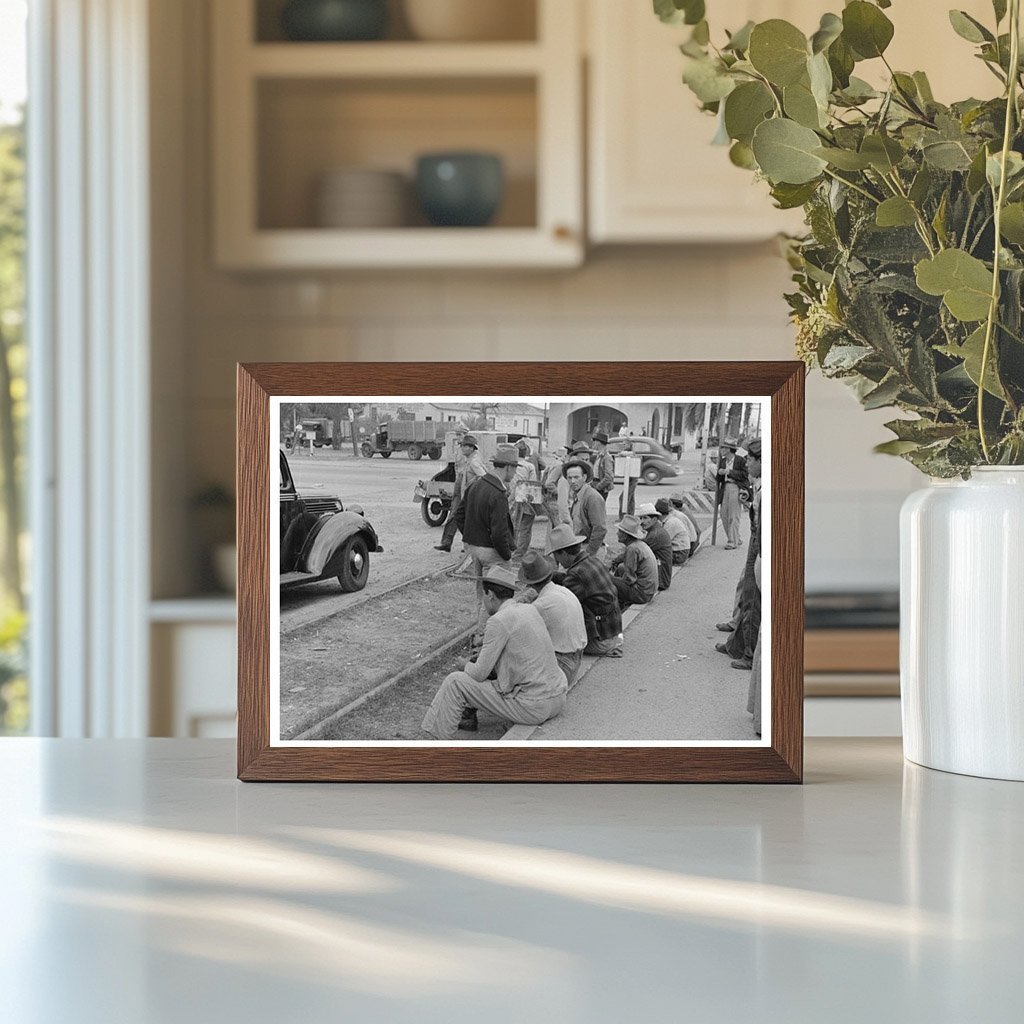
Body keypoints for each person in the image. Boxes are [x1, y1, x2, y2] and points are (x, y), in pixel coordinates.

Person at [422, 566, 568, 739]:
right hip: (557, 698)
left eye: (483, 596)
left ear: (490, 595)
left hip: (534, 706)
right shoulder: (529, 609)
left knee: (454, 681)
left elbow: (478, 674)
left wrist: (464, 665)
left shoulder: (498, 621)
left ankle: (434, 741)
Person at [455, 443, 518, 644]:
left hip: (476, 549)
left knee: (482, 595)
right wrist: (506, 555)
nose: (514, 473)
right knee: (495, 598)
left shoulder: (476, 484)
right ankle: (481, 638)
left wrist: (471, 536)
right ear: (507, 467)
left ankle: (480, 633)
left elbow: (459, 514)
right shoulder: (498, 493)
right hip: (493, 553)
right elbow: (499, 532)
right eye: (514, 468)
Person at [716, 440, 762, 669]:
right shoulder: (760, 485)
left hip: (759, 546)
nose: (749, 465)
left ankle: (749, 653)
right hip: (756, 543)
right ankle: (736, 643)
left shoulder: (765, 486)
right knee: (745, 590)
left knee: (753, 599)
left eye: (752, 460)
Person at [548, 524, 623, 657]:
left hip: (600, 642)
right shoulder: (592, 561)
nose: (556, 560)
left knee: (550, 636)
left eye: (556, 556)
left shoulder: (576, 574)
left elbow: (561, 605)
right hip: (612, 633)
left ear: (564, 553)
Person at [516, 550, 587, 687]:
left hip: (562, 665)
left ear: (529, 584)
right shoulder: (562, 591)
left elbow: (518, 629)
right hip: (576, 658)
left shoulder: (542, 604)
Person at [436, 432, 486, 552]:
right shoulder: (469, 456)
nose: (461, 447)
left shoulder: (474, 460)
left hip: (467, 491)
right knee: (456, 515)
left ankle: (469, 544)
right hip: (461, 485)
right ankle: (448, 543)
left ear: (470, 447)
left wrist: (473, 487)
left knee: (463, 517)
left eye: (464, 445)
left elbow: (483, 477)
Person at [609, 515, 657, 610]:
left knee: (608, 580)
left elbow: (629, 579)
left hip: (642, 594)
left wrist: (612, 578)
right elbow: (624, 558)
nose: (617, 534)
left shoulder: (632, 549)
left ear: (625, 536)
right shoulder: (638, 544)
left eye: (619, 532)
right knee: (620, 569)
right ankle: (620, 604)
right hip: (649, 590)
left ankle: (614, 609)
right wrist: (615, 562)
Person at [564, 455, 607, 558]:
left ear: (584, 477)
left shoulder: (592, 497)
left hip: (591, 550)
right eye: (569, 478)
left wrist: (589, 553)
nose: (573, 481)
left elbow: (600, 529)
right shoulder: (577, 495)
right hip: (581, 547)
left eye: (576, 477)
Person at [510, 439, 539, 560]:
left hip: (511, 500)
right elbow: (533, 485)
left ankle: (510, 551)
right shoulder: (529, 466)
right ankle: (519, 554)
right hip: (526, 500)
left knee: (511, 527)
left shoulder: (509, 465)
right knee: (525, 529)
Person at [716, 439, 746, 549]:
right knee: (724, 515)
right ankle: (735, 537)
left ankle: (731, 541)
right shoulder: (723, 461)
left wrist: (729, 472)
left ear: (729, 449)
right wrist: (719, 473)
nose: (721, 450)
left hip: (736, 487)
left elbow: (745, 475)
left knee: (734, 516)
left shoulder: (740, 460)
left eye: (723, 448)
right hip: (725, 488)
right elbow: (718, 479)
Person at [636, 503, 673, 590]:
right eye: (641, 518)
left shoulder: (655, 535)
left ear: (654, 519)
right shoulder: (655, 531)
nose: (641, 522)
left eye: (645, 518)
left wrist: (615, 561)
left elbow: (637, 551)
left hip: (660, 580)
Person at [656, 497, 690, 566]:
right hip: (680, 551)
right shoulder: (669, 520)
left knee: (656, 554)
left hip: (679, 553)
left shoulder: (670, 523)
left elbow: (663, 542)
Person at [669, 491, 701, 557]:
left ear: (672, 504)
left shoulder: (678, 515)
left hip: (688, 546)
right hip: (692, 542)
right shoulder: (684, 510)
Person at [591, 431, 615, 500]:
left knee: (598, 508)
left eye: (595, 441)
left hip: (600, 487)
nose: (594, 443)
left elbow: (609, 476)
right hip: (595, 484)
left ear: (599, 442)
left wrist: (599, 486)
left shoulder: (606, 457)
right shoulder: (599, 455)